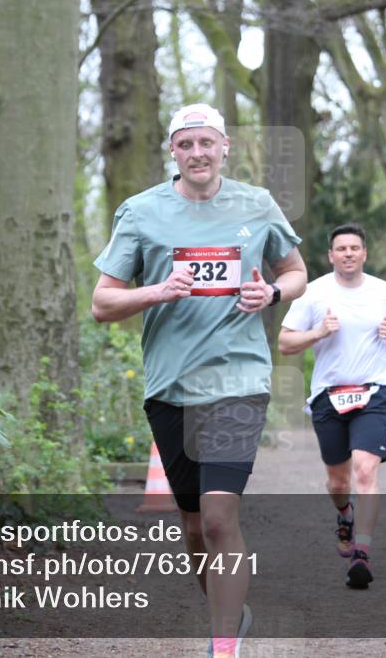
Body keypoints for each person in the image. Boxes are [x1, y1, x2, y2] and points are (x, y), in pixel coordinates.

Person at [91, 103, 307, 658]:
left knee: (217, 519)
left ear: (224, 145)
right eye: (185, 145)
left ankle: (222, 644)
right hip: (170, 386)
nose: (197, 154)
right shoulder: (141, 213)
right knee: (192, 526)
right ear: (173, 151)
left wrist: (274, 294)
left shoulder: (257, 206)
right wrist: (155, 291)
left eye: (206, 143)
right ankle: (232, 614)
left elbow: (297, 272)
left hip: (238, 381)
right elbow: (102, 302)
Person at [278, 223, 386, 589]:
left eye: (355, 248)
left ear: (364, 254)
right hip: (329, 395)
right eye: (342, 248)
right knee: (338, 481)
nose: (349, 253)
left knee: (366, 471)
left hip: (375, 392)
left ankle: (362, 553)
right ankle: (344, 514)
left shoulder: (383, 291)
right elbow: (285, 343)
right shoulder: (313, 292)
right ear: (331, 255)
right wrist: (318, 332)